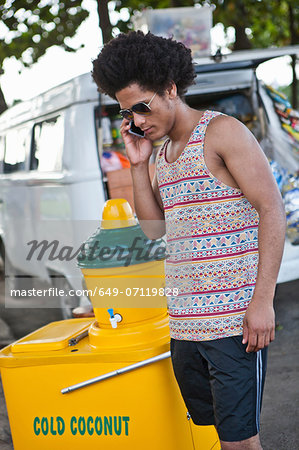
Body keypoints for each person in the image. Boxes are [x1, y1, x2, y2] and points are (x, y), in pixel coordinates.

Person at [92, 31, 286, 449]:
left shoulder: (222, 132)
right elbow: (154, 230)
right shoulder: (162, 153)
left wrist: (263, 301)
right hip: (186, 325)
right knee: (214, 433)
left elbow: (273, 210)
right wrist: (139, 166)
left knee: (240, 441)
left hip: (233, 322)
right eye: (127, 112)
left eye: (142, 107)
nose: (137, 120)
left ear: (170, 88)